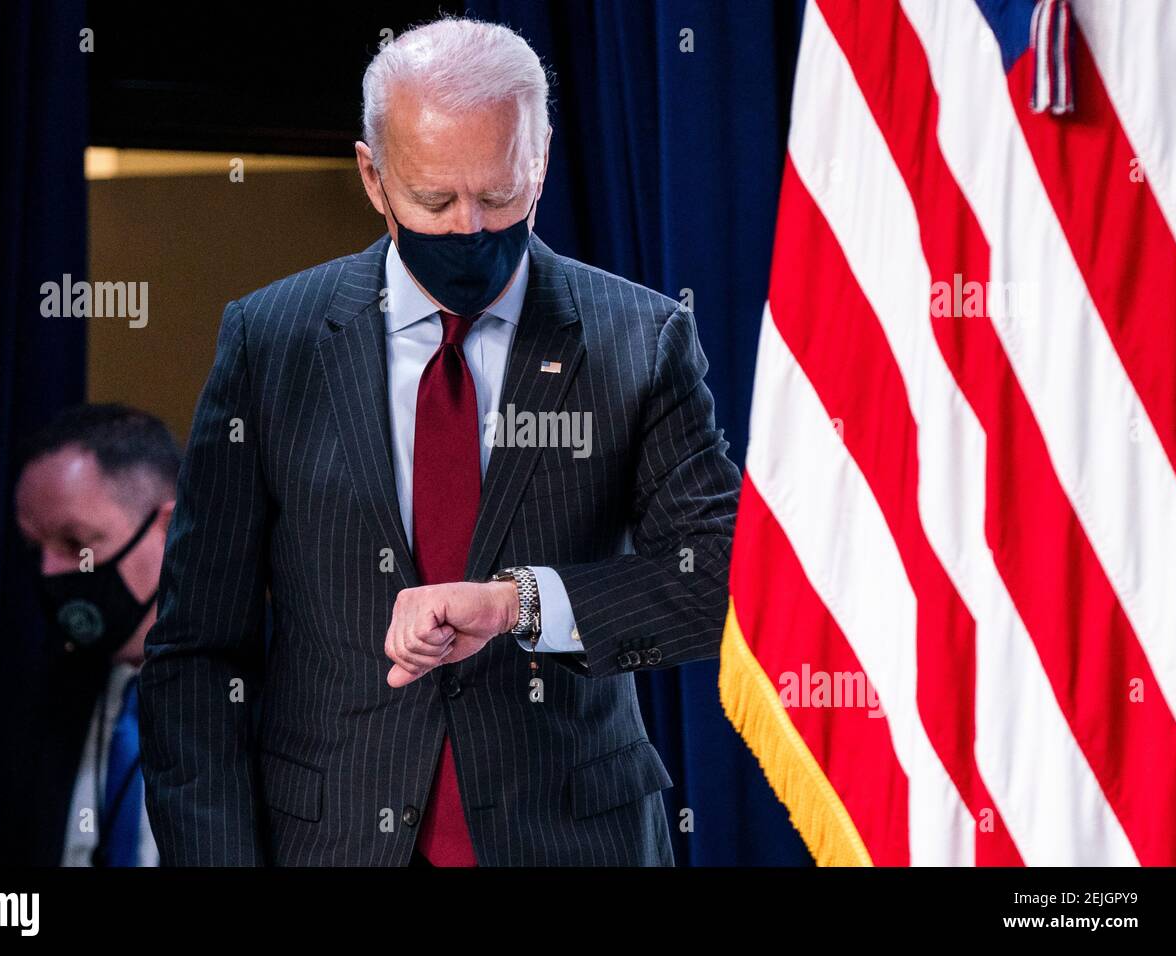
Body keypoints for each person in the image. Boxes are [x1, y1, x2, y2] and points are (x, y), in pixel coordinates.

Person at [139, 15, 741, 867]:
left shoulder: (638, 338)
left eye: (499, 196)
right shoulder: (272, 341)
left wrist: (518, 604)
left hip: (572, 841)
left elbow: (722, 578)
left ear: (539, 160)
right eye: (435, 200)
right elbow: (196, 652)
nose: (469, 229)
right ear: (373, 177)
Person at [15, 403, 179, 866]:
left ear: (170, 528)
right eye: (36, 548)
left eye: (75, 544)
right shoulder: (36, 700)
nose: (50, 572)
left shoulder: (282, 689)